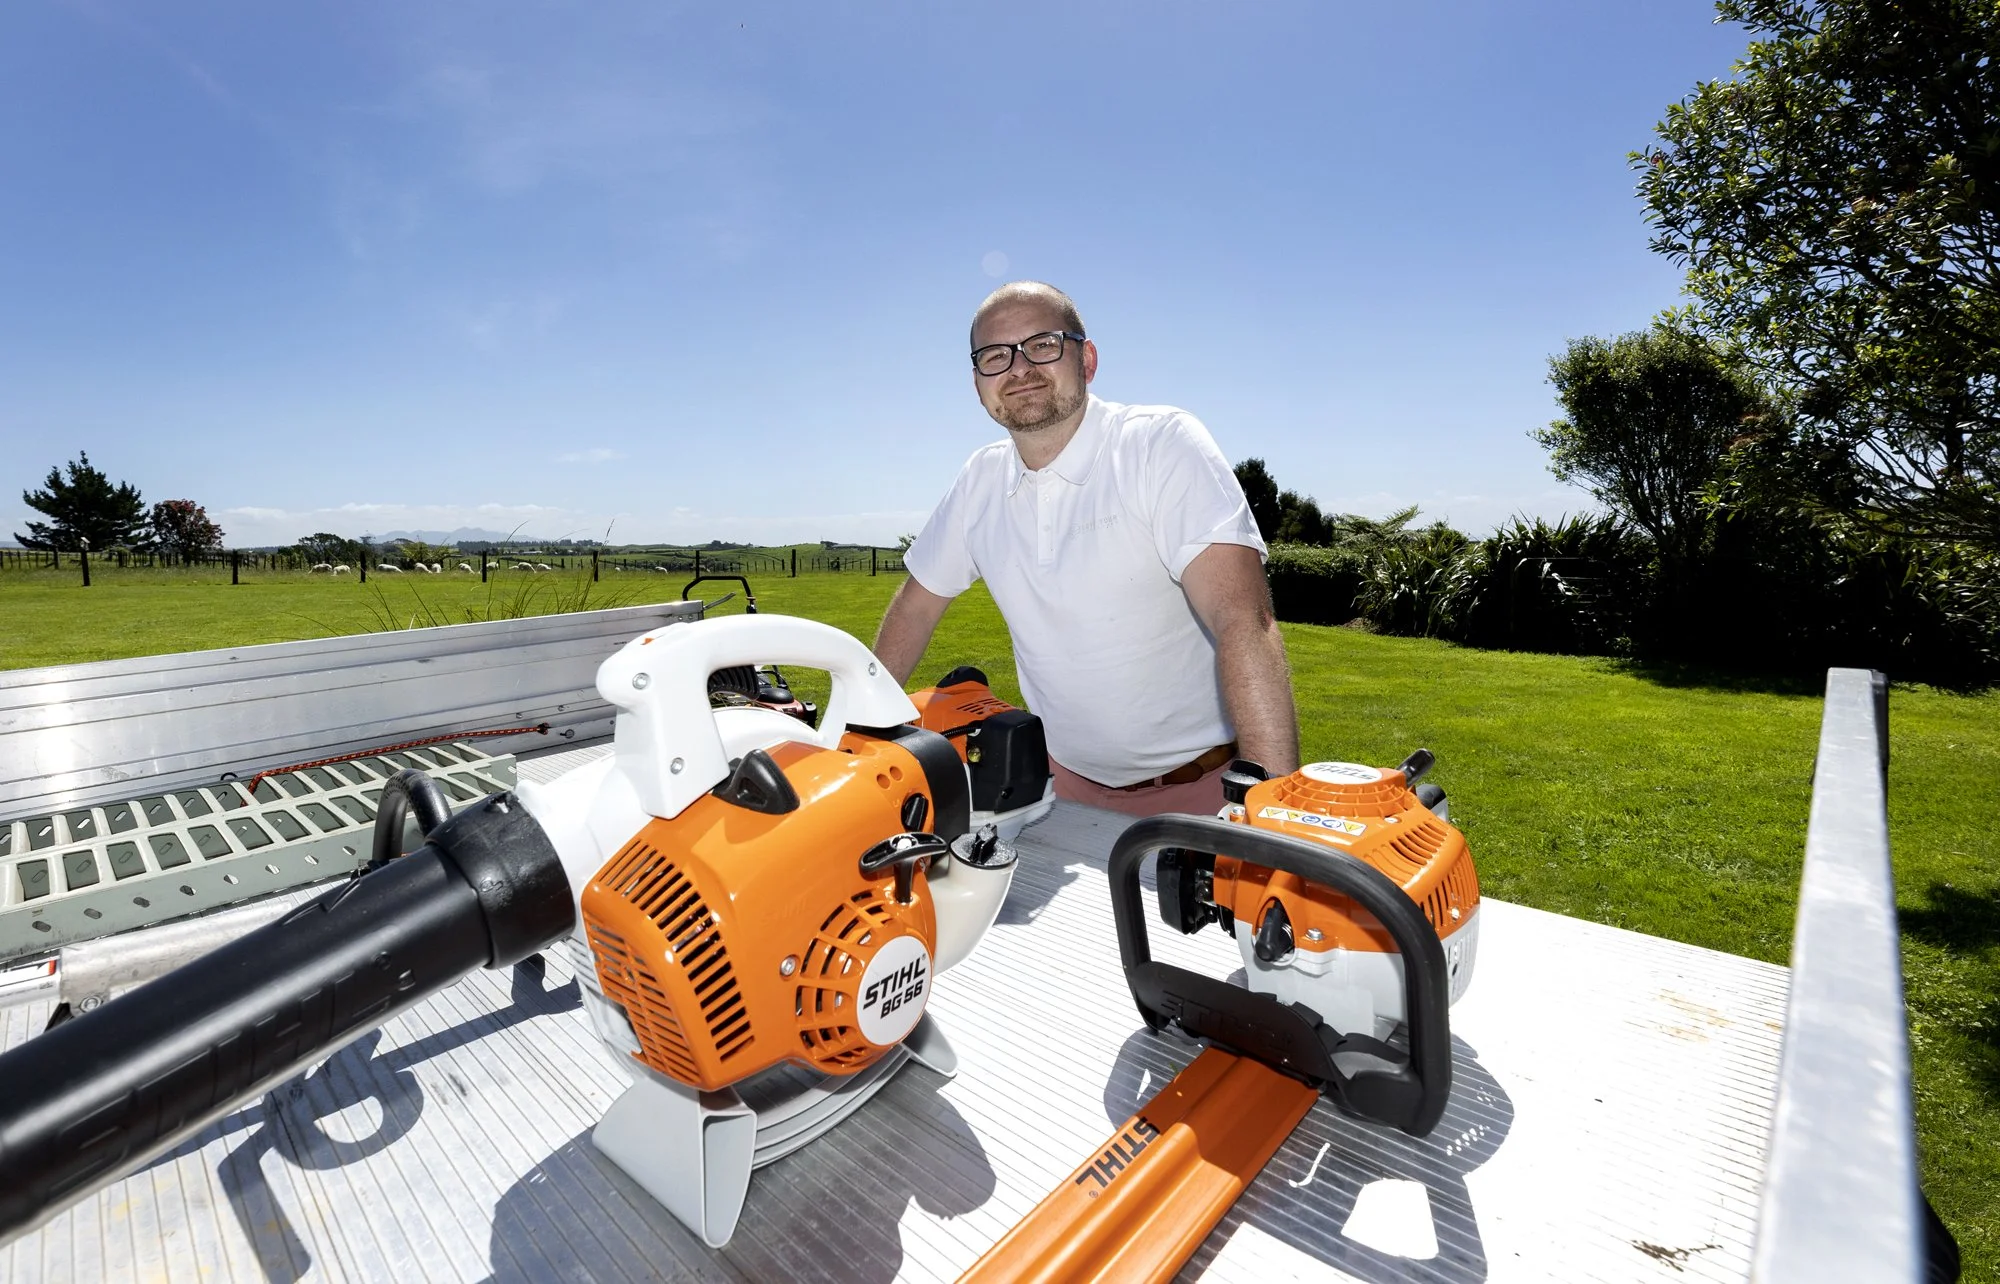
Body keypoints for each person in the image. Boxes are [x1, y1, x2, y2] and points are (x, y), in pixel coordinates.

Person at [874, 281, 1299, 816]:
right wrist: (852, 733)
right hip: (1058, 788)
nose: (1019, 367)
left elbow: (1245, 620)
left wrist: (1270, 807)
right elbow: (916, 606)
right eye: (995, 355)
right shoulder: (979, 480)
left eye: (1043, 344)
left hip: (1203, 793)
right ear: (977, 381)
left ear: (1087, 359)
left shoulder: (1159, 444)